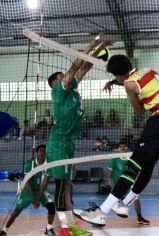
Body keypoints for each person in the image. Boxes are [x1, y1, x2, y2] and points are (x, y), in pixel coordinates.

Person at [79, 54, 159, 227]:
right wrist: (115, 83)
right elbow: (139, 84)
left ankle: (102, 212)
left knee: (133, 165)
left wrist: (134, 96)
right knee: (147, 165)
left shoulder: (128, 85)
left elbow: (139, 111)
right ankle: (125, 204)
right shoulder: (146, 70)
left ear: (116, 74)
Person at [46, 35, 112, 236]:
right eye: (62, 76)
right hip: (58, 142)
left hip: (67, 143)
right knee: (60, 186)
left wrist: (100, 48)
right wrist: (92, 44)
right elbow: (75, 66)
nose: (66, 77)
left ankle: (70, 224)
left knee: (67, 184)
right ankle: (65, 228)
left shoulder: (72, 90)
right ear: (56, 82)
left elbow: (84, 68)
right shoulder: (59, 90)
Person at [0, 145, 56, 236]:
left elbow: (44, 184)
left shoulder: (49, 165)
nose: (42, 153)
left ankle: (49, 229)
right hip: (28, 190)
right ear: (37, 153)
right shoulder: (29, 164)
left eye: (44, 151)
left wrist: (38, 198)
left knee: (51, 207)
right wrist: (33, 197)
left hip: (40, 190)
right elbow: (28, 182)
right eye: (40, 151)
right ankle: (4, 230)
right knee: (16, 211)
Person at [107, 141, 149, 224]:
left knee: (136, 199)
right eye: (120, 146)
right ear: (118, 148)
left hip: (130, 183)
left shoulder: (131, 158)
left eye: (124, 146)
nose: (122, 148)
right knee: (110, 203)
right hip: (118, 185)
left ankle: (139, 218)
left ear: (127, 148)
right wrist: (111, 184)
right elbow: (110, 174)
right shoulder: (114, 159)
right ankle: (102, 217)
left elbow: (136, 171)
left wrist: (136, 181)